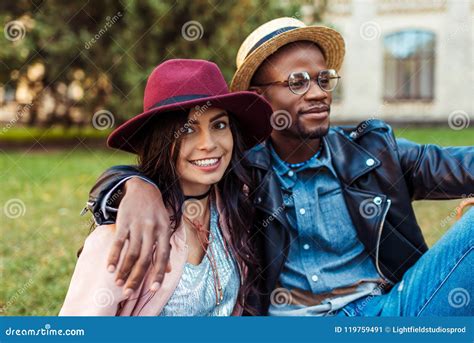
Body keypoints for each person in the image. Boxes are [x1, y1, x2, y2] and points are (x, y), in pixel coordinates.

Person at [83, 18, 474, 316]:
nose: (319, 92)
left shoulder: (373, 152)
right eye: (298, 82)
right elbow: (171, 164)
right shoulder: (239, 170)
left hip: (388, 313)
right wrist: (134, 186)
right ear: (260, 97)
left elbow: (459, 165)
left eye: (324, 79)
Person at [59, 59, 273, 315]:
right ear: (161, 141)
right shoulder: (125, 234)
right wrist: (131, 185)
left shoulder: (233, 205)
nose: (209, 144)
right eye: (188, 130)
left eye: (219, 125)